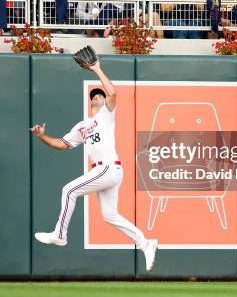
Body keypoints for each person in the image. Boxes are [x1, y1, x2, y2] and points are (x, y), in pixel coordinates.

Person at [30, 60, 159, 272]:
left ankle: (60, 235)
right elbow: (62, 144)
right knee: (109, 215)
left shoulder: (106, 116)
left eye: (101, 95)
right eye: (94, 95)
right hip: (106, 171)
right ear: (90, 101)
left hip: (107, 167)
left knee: (68, 190)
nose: (98, 96)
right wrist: (42, 136)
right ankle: (145, 243)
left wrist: (96, 68)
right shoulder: (82, 126)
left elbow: (113, 93)